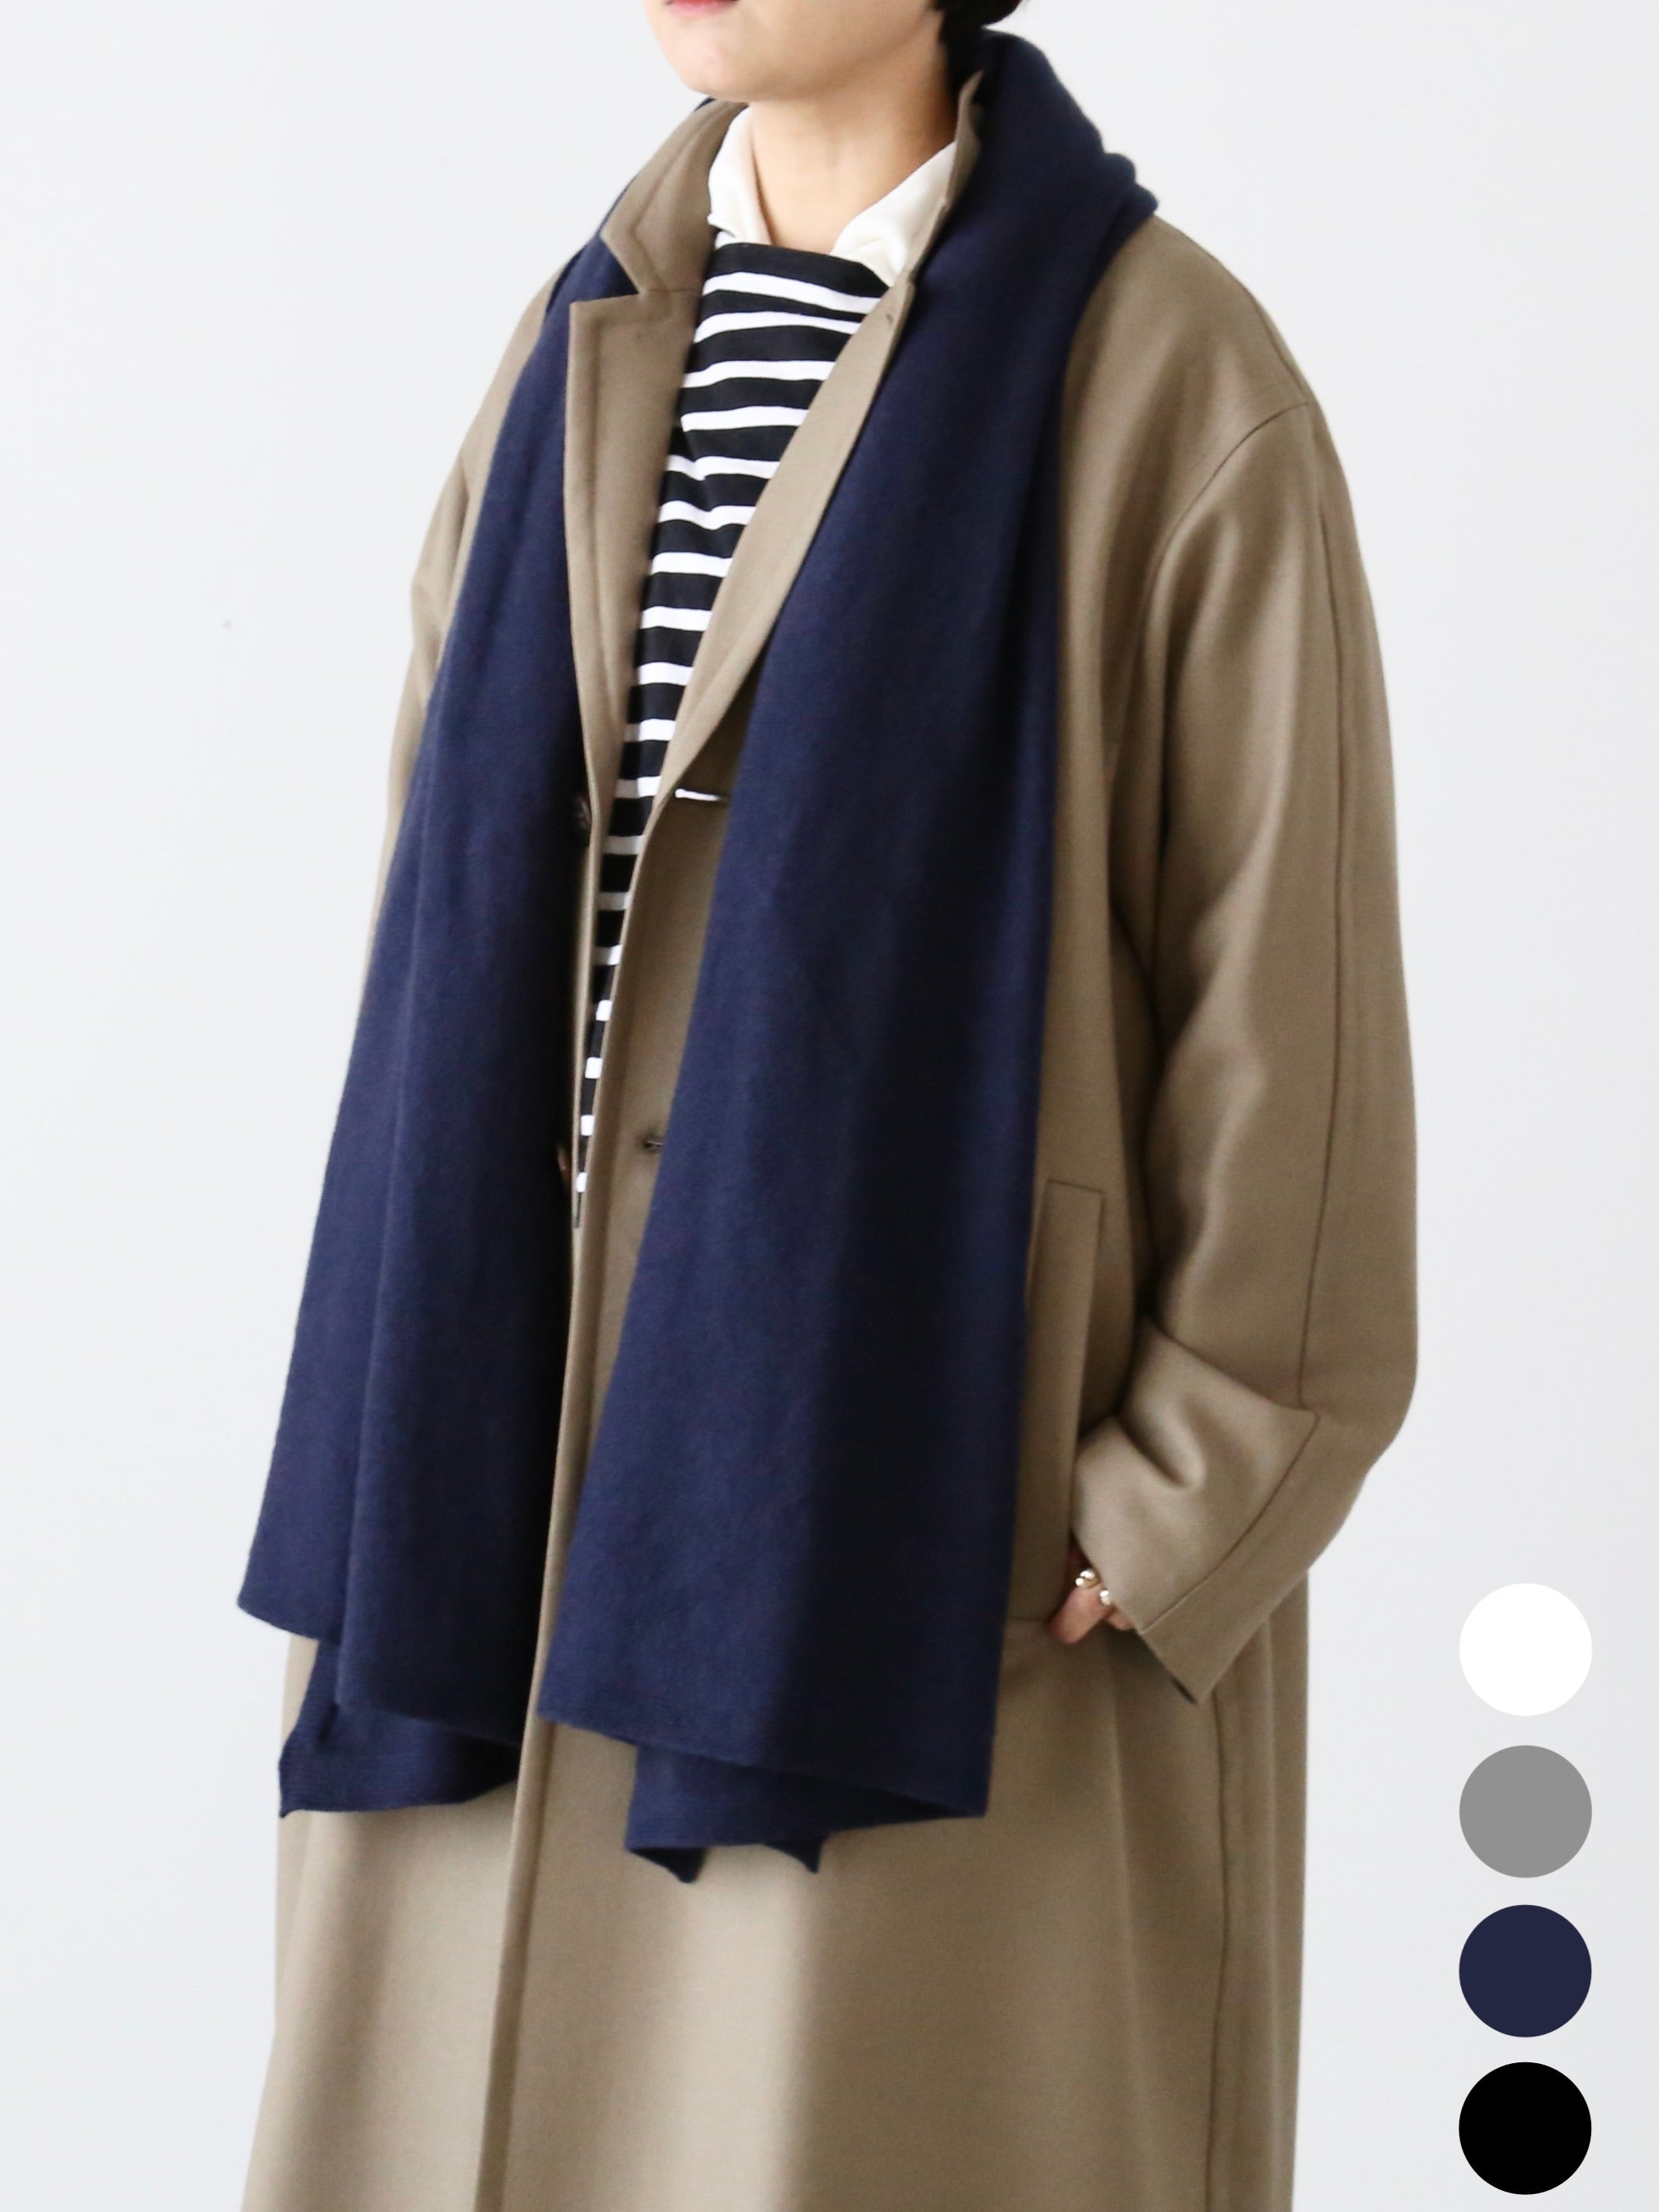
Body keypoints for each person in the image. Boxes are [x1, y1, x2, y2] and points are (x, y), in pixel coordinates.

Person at [238, 3, 1415, 2208]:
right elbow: (449, 899)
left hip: (903, 1532)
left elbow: (1294, 1004)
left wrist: (1184, 1494)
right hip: (495, 1520)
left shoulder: (1166, 373)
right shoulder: (584, 335)